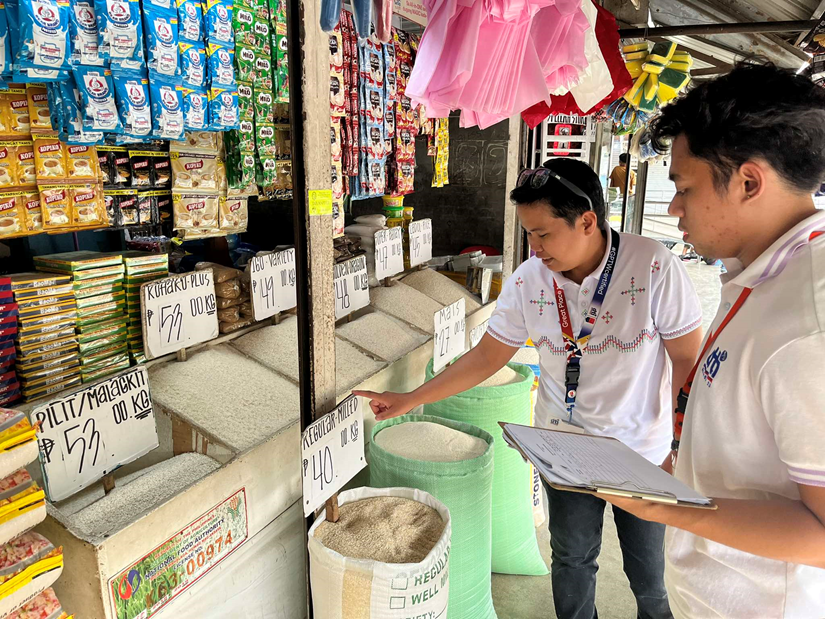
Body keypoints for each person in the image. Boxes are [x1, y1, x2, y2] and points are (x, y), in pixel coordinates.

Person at [356, 158, 703, 619]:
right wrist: (411, 399)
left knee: (650, 575)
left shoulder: (653, 267)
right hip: (564, 449)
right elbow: (485, 357)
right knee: (573, 560)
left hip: (641, 451)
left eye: (543, 234)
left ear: (586, 221)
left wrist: (683, 444)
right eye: (528, 235)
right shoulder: (528, 281)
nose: (534, 248)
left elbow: (686, 359)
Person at [597, 60, 825, 618]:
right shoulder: (764, 274)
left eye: (684, 187)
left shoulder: (809, 321)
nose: (673, 207)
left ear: (749, 182)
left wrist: (669, 507)